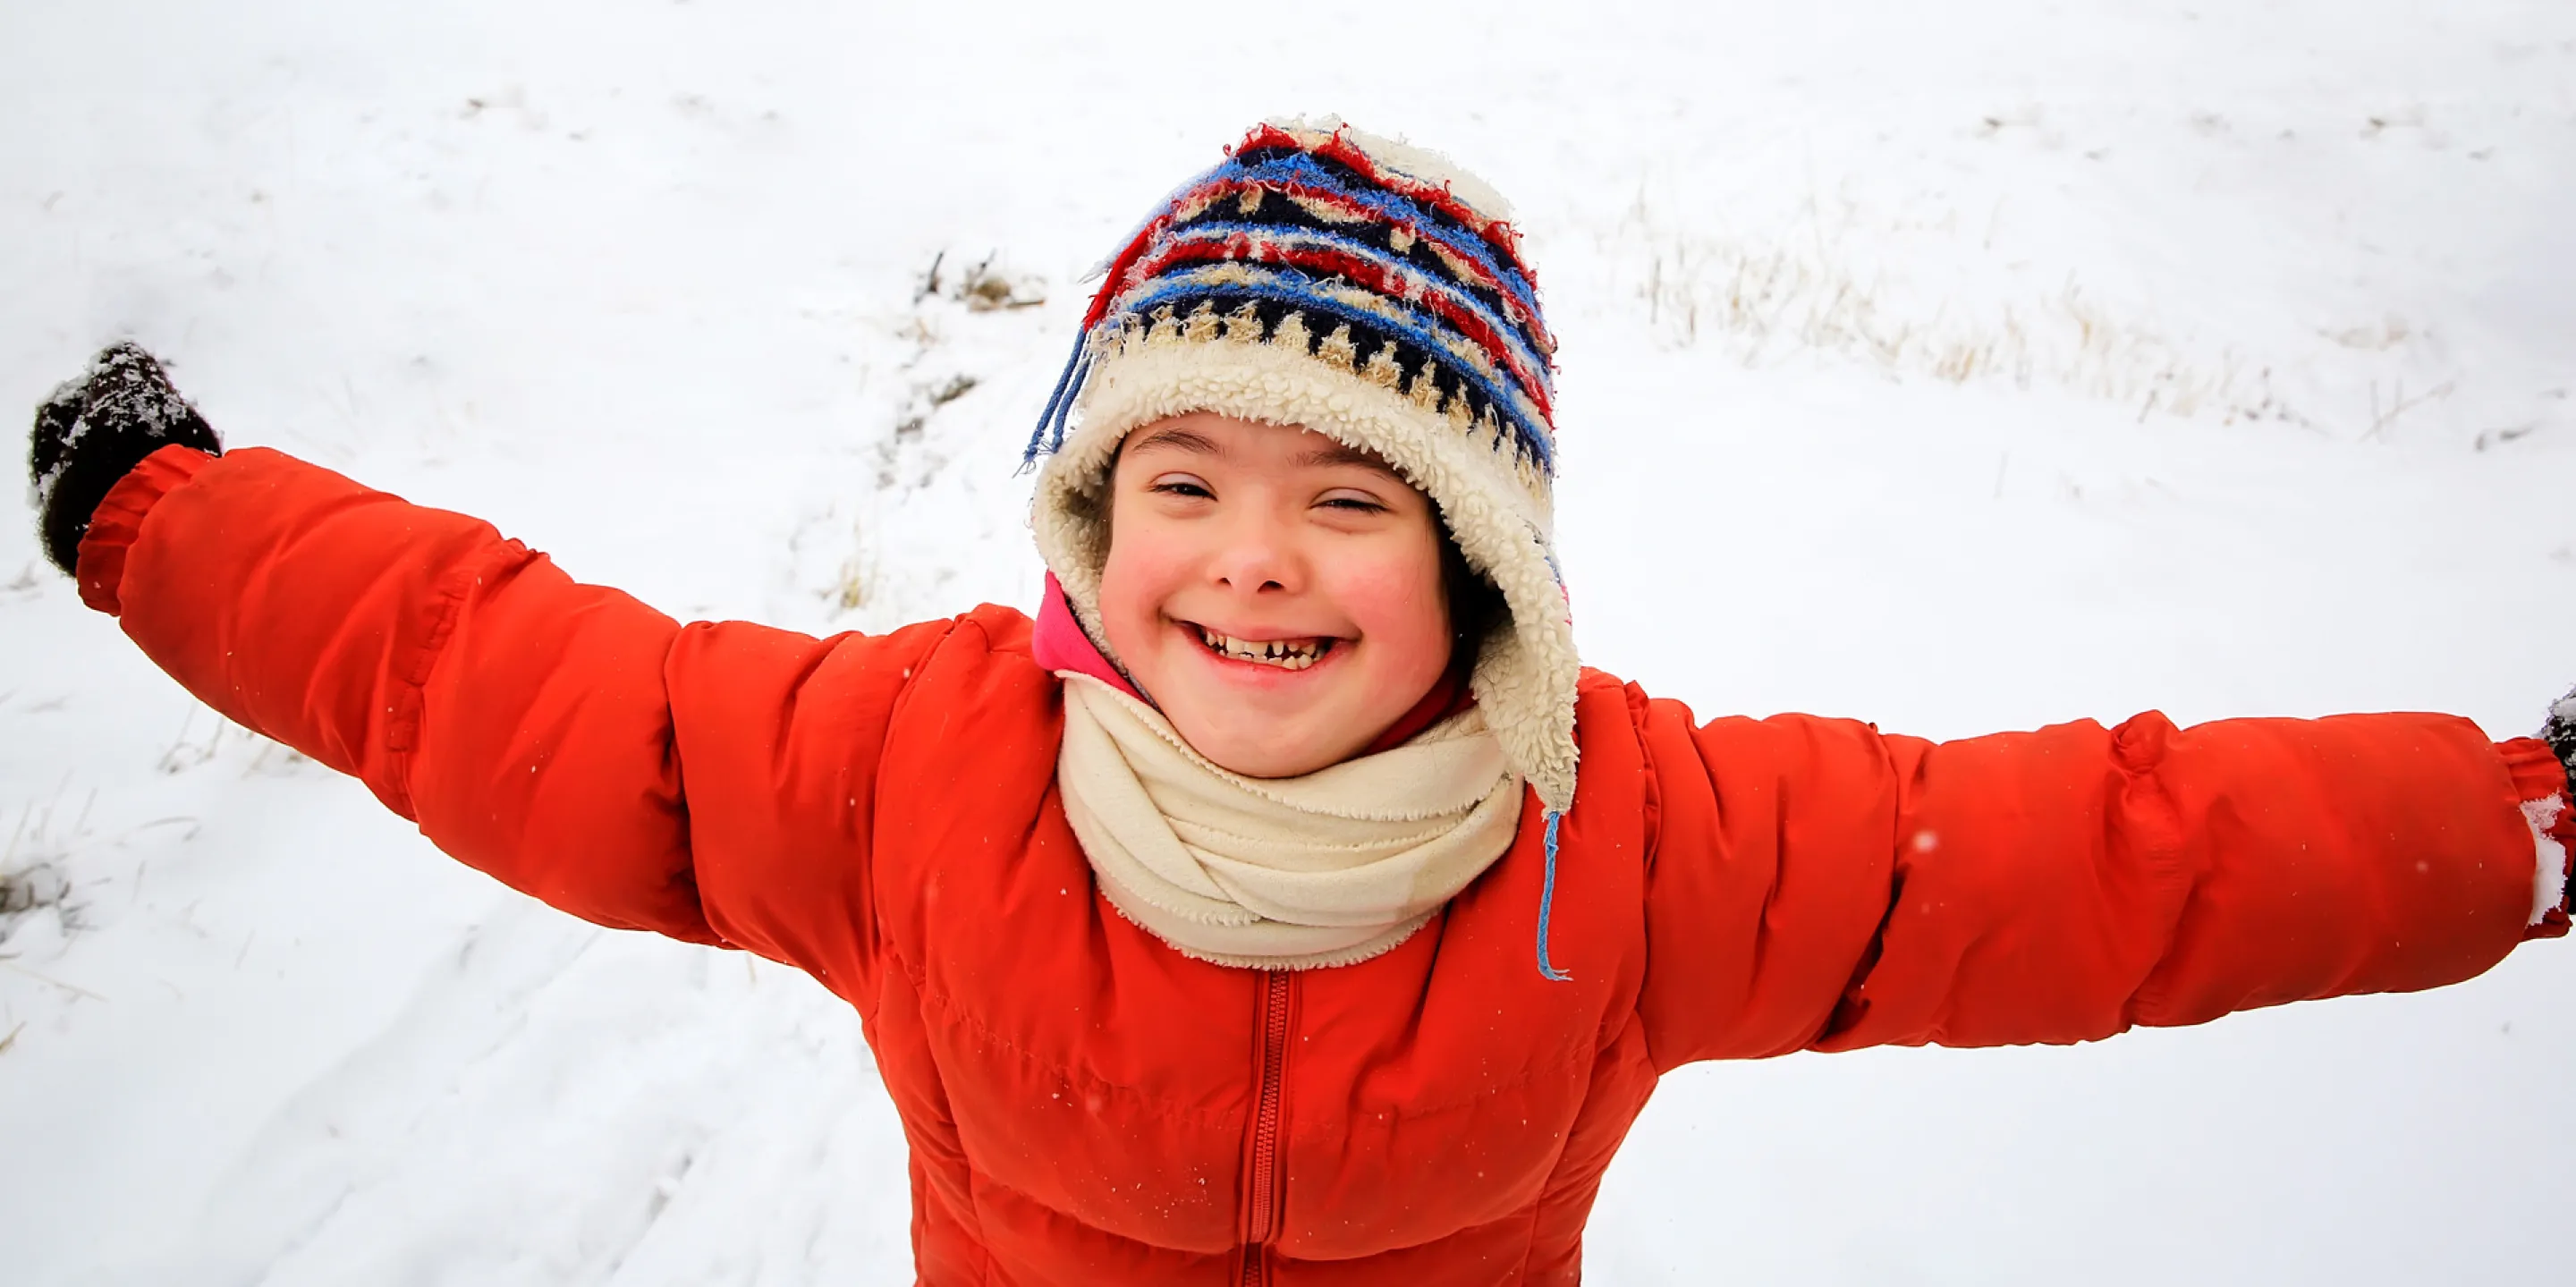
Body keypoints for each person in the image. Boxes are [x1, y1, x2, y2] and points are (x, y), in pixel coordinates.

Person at [25, 118, 2575, 1286]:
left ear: (1474, 565)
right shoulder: (910, 775)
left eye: (1350, 496)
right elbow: (499, 676)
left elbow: (2106, 859)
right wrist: (163, 514)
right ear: (1085, 523)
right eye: (1184, 480)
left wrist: (2524, 819)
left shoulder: (1630, 839)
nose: (1250, 556)